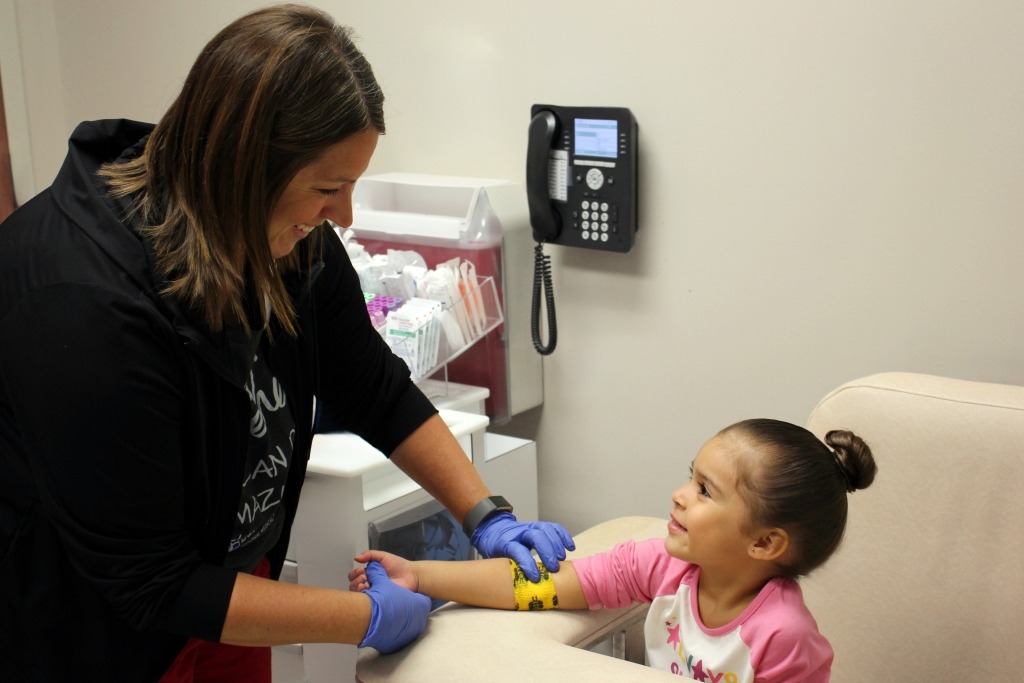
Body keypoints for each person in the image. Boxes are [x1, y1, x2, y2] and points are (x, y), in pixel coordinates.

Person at [0, 4, 574, 681]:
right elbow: (154, 583)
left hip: (230, 585)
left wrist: (485, 515)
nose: (343, 216)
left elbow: (373, 386)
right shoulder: (85, 305)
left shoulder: (281, 237)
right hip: (93, 633)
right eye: (328, 188)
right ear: (244, 169)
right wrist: (364, 616)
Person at [351, 419, 878, 682]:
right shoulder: (666, 566)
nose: (679, 494)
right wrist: (421, 576)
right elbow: (541, 588)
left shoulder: (783, 637)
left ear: (764, 542)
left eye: (705, 491)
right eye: (689, 477)